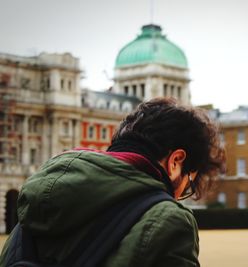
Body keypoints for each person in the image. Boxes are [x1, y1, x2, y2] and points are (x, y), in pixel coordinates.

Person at [0, 97, 225, 267]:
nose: (179, 196)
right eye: (189, 185)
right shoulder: (171, 220)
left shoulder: (38, 196)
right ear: (176, 162)